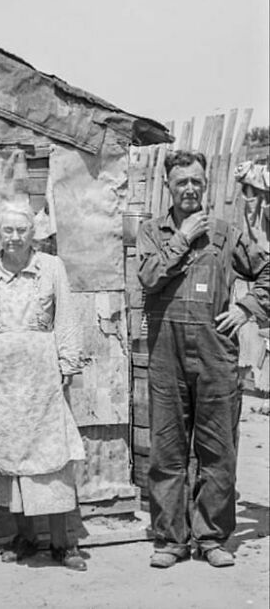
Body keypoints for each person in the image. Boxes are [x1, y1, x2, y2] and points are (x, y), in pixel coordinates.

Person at [137, 150, 269, 569]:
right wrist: (182, 239)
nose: (189, 188)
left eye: (196, 181)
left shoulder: (226, 233)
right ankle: (171, 540)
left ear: (205, 184)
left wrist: (247, 308)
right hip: (166, 354)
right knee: (168, 450)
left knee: (217, 449)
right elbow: (148, 277)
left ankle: (211, 537)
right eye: (181, 182)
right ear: (168, 187)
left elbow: (267, 272)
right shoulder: (152, 232)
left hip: (215, 352)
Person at [0, 200, 87, 571]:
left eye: (21, 230)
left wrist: (67, 362)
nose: (14, 237)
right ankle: (26, 537)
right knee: (13, 459)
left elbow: (65, 315)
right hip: (2, 379)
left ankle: (63, 543)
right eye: (7, 230)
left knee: (52, 457)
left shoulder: (51, 267)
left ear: (33, 233)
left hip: (43, 375)